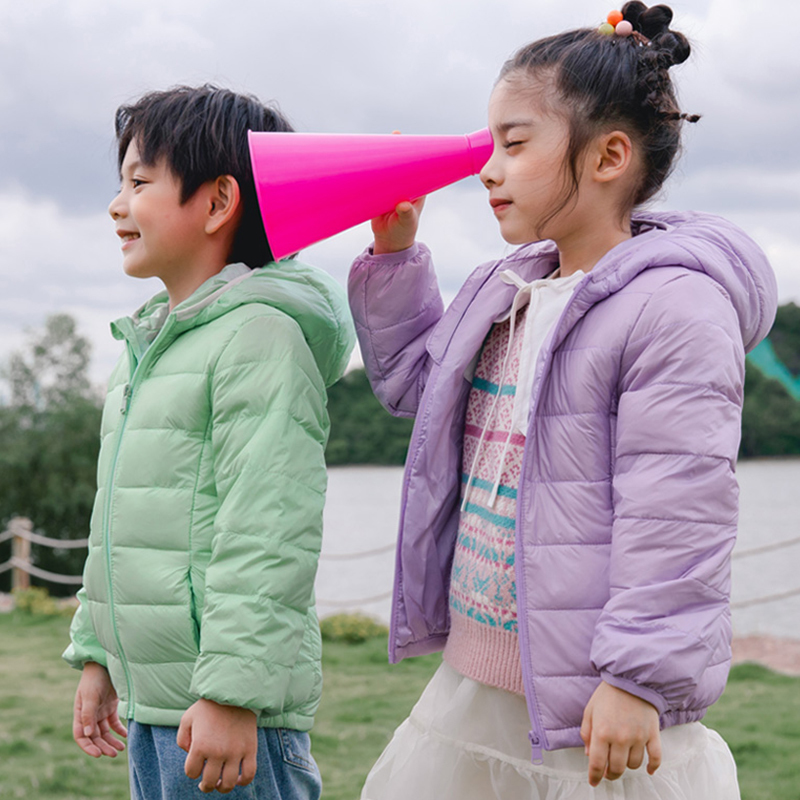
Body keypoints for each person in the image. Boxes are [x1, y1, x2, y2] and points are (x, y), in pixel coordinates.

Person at [348, 4, 777, 798]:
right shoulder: (505, 290)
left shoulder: (675, 308)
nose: (487, 168)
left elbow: (678, 507)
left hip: (597, 701)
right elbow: (413, 384)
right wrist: (396, 254)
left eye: (514, 144)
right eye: (490, 146)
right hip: (477, 687)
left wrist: (638, 677)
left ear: (610, 154)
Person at [63, 85, 355, 799]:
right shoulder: (147, 345)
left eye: (139, 182)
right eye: (120, 182)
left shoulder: (261, 336)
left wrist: (232, 695)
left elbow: (268, 528)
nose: (116, 204)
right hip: (157, 708)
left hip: (227, 718)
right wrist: (100, 652)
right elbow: (122, 525)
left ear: (220, 202)